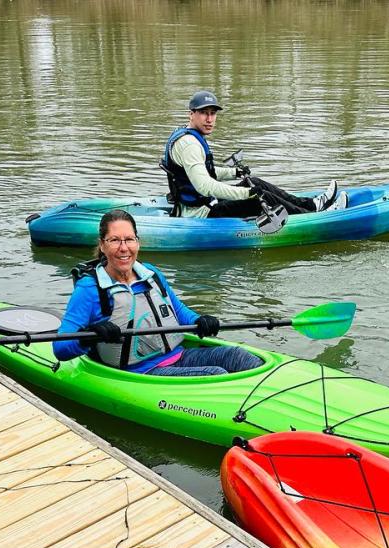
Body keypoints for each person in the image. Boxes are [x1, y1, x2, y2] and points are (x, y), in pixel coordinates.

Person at [53, 209, 264, 377]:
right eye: (115, 240)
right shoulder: (89, 289)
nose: (123, 248)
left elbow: (176, 310)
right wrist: (89, 336)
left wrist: (200, 320)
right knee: (216, 374)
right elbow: (61, 348)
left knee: (239, 357)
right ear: (102, 245)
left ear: (138, 242)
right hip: (140, 373)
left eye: (129, 239)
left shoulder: (151, 273)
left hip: (177, 356)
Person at [161, 90, 348, 219]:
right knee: (259, 198)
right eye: (203, 113)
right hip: (200, 212)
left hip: (205, 202)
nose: (209, 119)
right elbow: (204, 186)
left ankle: (312, 204)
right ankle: (315, 217)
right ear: (191, 114)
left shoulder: (187, 136)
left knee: (256, 183)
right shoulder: (190, 145)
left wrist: (233, 173)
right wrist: (246, 193)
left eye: (212, 113)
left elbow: (203, 172)